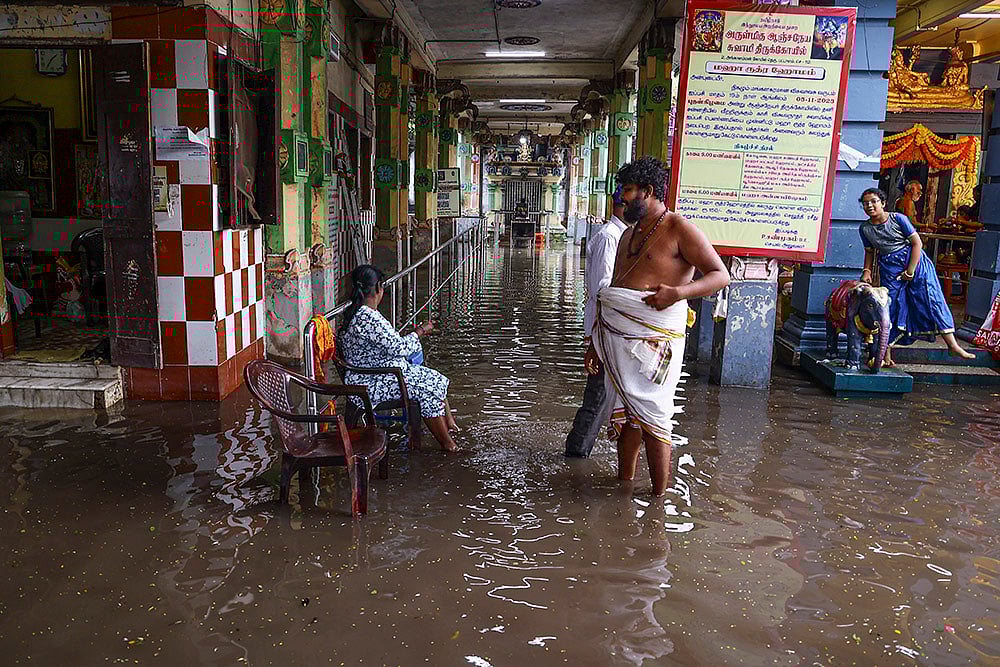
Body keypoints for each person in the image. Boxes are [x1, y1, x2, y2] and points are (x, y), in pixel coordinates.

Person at [585, 157, 729, 496]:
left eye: (629, 190)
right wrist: (596, 342)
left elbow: (719, 275)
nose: (622, 197)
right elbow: (612, 292)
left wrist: (678, 293)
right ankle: (624, 484)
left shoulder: (679, 228)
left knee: (654, 417)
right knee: (628, 415)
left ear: (648, 192)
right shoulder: (627, 234)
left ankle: (658, 499)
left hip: (656, 339)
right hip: (616, 337)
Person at [339, 264, 461, 452]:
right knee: (426, 392)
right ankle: (448, 445)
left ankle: (449, 425)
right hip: (371, 381)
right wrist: (420, 331)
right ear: (379, 288)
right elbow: (399, 347)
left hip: (377, 371)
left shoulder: (363, 313)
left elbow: (389, 344)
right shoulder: (368, 317)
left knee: (435, 378)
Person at [858, 187, 975, 365]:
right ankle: (885, 354)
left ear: (883, 203)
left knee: (931, 299)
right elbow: (870, 252)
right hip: (889, 267)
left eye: (874, 201)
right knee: (891, 306)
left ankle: (952, 344)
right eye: (866, 203)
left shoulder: (898, 219)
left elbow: (916, 243)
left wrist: (911, 271)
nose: (870, 205)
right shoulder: (865, 228)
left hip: (915, 261)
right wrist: (866, 271)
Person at [564, 186, 629, 458]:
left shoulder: (621, 237)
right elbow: (602, 288)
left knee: (605, 395)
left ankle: (581, 450)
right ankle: (576, 455)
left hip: (611, 326)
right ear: (622, 205)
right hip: (603, 327)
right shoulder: (608, 238)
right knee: (597, 395)